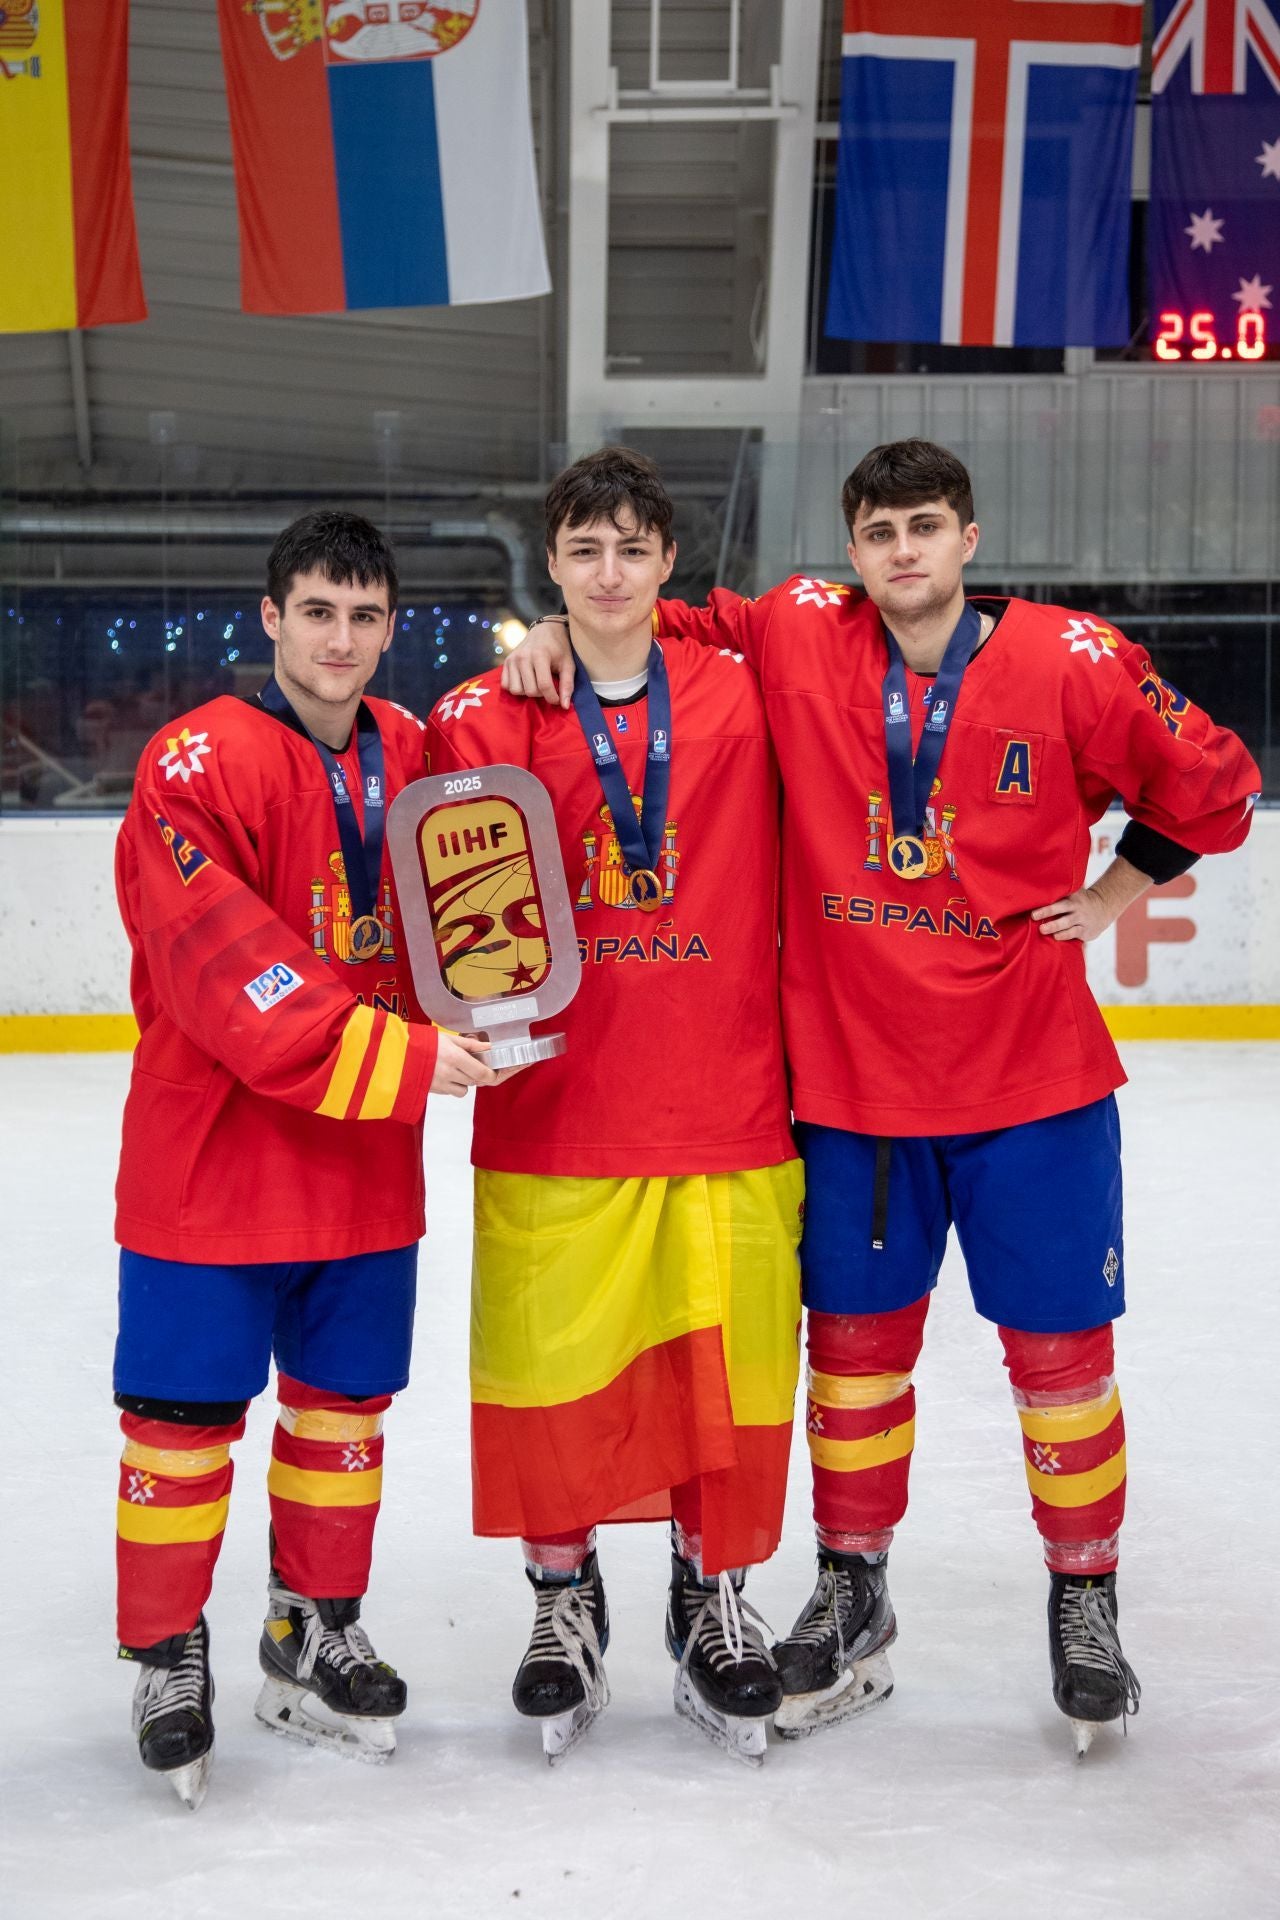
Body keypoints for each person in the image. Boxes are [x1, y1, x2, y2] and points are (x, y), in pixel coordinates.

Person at [499, 438, 1261, 1755]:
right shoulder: (802, 626)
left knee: (1063, 1362)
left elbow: (1219, 784)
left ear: (968, 538)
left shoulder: (1074, 658)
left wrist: (1116, 892)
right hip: (854, 1094)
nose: (903, 551)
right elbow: (649, 612)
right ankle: (854, 1591)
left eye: (925, 527)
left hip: (1032, 1085)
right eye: (879, 532)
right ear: (852, 551)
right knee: (854, 1364)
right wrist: (547, 636)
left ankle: (1085, 1603)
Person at [112, 510, 499, 1807]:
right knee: (180, 1427)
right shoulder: (194, 761)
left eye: (365, 616)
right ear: (272, 616)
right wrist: (403, 1059)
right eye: (318, 612)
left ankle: (313, 1625)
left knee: (342, 1415)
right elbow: (222, 966)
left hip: (361, 1167)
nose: (341, 639)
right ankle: (168, 1652)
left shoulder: (417, 750)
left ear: (392, 628)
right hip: (212, 1161)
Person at [425, 448, 803, 1767]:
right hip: (558, 1110)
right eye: (583, 550)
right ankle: (561, 1595)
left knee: (725, 1378)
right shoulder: (484, 715)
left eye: (633, 549)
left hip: (724, 1098)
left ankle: (715, 1595)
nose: (608, 573)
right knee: (553, 1373)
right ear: (550, 563)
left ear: (669, 563)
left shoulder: (743, 691)